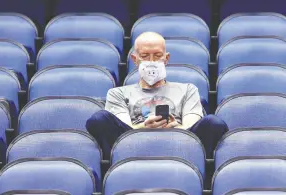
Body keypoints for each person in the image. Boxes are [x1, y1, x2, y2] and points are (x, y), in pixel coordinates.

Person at [86, 31, 228, 158]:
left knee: (213, 123)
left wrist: (175, 127)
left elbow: (192, 122)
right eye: (145, 56)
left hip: (180, 142)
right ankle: (120, 160)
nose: (152, 62)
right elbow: (124, 126)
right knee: (99, 118)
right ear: (135, 60)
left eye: (158, 56)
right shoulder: (117, 93)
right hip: (132, 143)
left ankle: (192, 163)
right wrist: (145, 127)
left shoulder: (188, 89)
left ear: (166, 59)